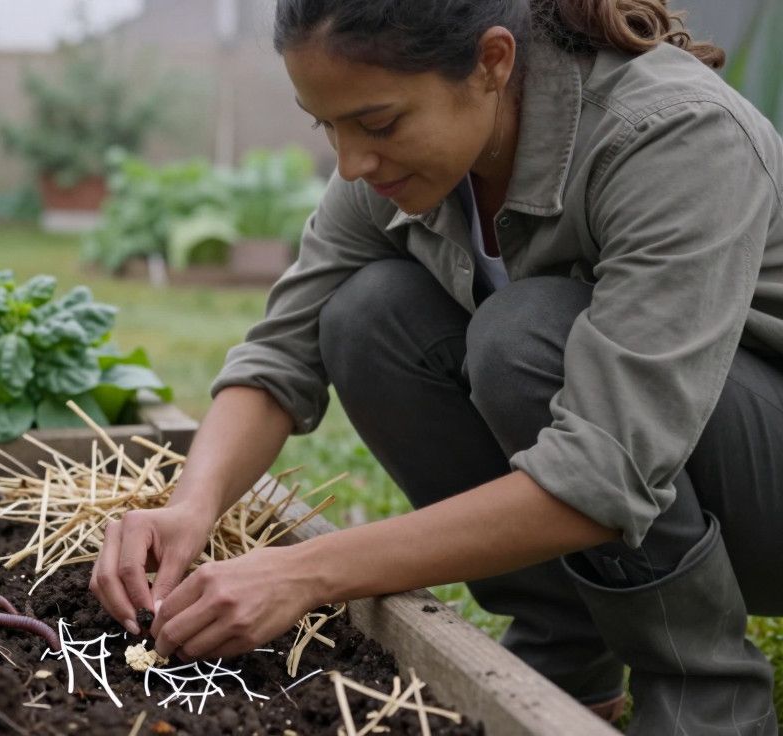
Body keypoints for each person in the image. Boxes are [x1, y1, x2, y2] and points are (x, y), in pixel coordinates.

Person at [88, 1, 783, 733]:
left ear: (492, 62)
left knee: (526, 338)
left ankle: (708, 698)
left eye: (379, 124)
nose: (351, 162)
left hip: (762, 492)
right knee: (366, 316)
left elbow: (604, 472)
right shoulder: (414, 156)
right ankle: (564, 655)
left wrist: (302, 572)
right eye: (328, 126)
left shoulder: (673, 135)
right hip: (667, 472)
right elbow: (279, 351)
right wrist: (191, 507)